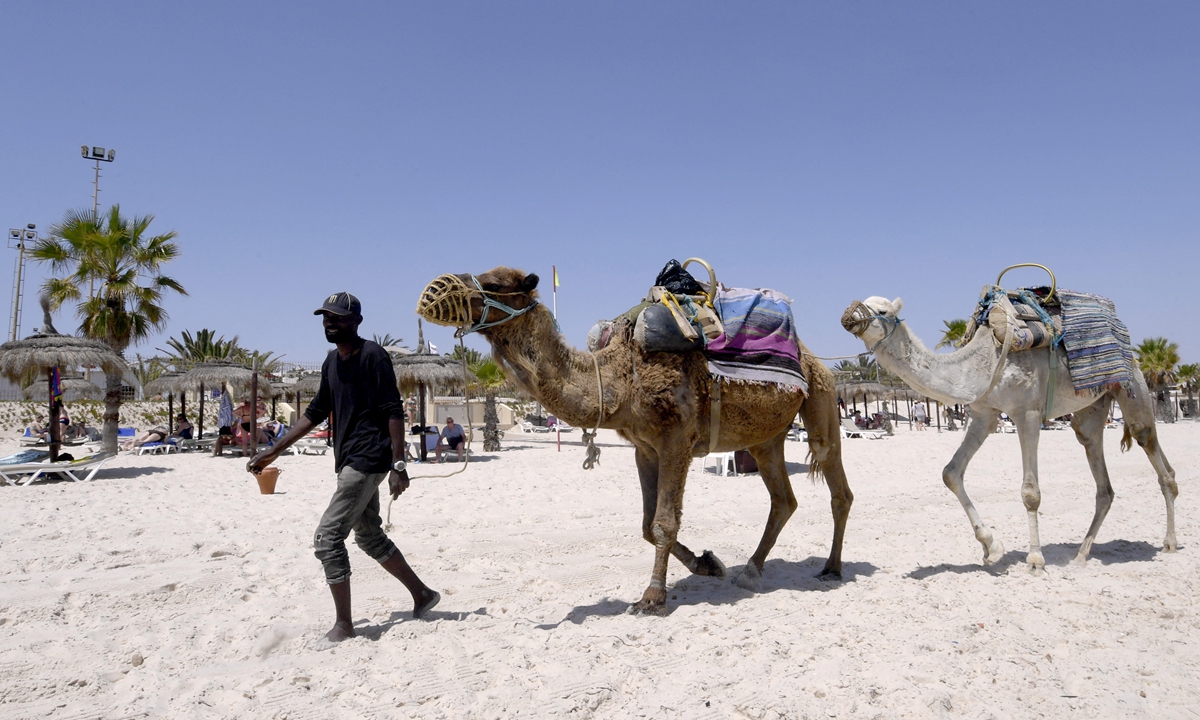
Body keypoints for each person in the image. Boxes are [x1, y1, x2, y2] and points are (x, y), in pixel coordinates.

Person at [248, 291, 439, 641]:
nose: (329, 322)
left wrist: (399, 464)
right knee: (368, 535)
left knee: (327, 538)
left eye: (336, 317)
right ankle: (423, 594)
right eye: (325, 317)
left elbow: (393, 410)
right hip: (347, 458)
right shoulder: (330, 363)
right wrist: (274, 450)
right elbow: (315, 412)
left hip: (368, 458)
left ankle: (344, 625)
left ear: (356, 321)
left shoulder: (374, 356)